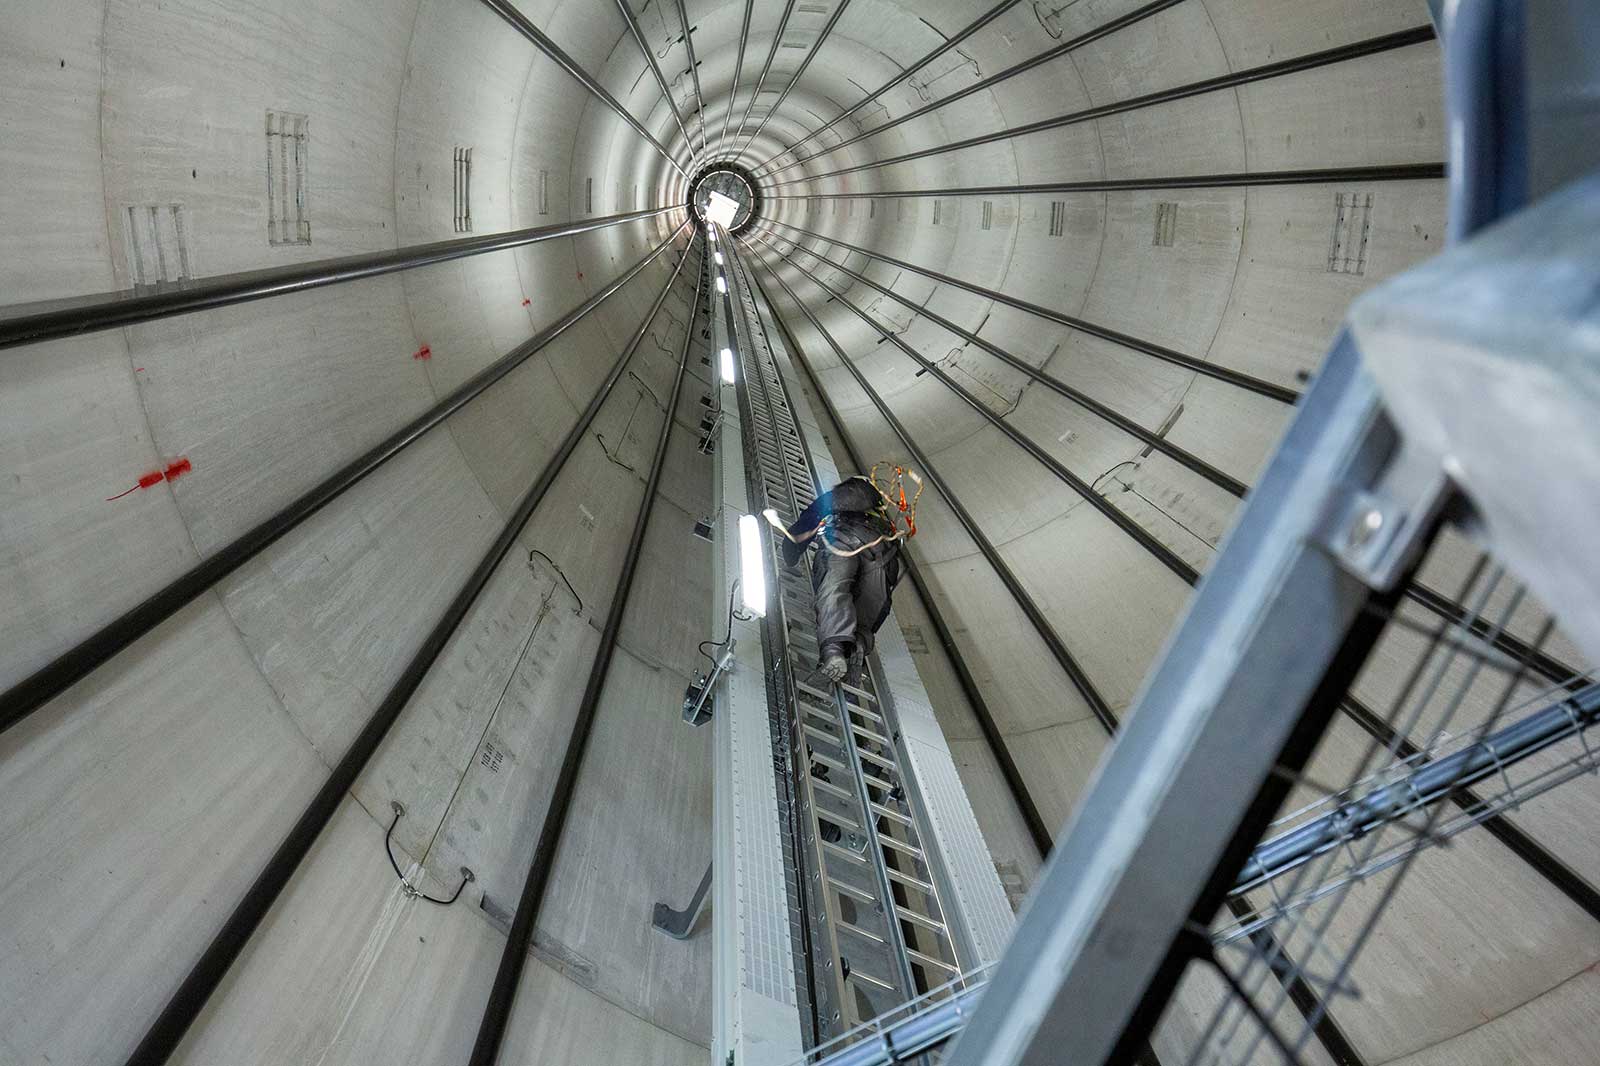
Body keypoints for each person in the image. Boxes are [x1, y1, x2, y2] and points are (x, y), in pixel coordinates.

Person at [769, 469, 919, 684]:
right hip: (884, 555)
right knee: (868, 609)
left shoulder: (834, 498)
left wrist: (790, 555)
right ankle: (856, 645)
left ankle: (833, 650)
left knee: (835, 587)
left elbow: (805, 525)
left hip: (844, 539)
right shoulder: (882, 513)